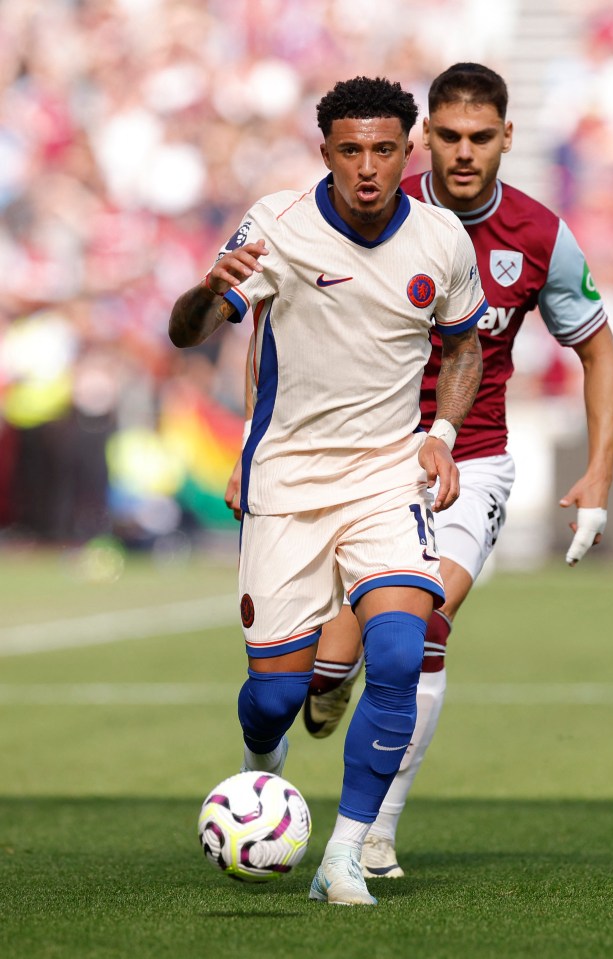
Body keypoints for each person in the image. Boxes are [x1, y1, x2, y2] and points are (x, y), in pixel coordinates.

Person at [227, 62, 613, 880]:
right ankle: (323, 689)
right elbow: (271, 327)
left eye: (480, 137)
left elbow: (598, 350)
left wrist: (598, 475)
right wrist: (249, 441)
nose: (463, 153)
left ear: (507, 138)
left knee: (420, 632)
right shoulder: (370, 202)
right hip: (347, 462)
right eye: (446, 136)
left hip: (466, 460)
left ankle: (371, 832)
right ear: (423, 139)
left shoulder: (540, 235)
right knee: (317, 673)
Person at [169, 75, 485, 906]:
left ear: (407, 151)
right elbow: (186, 333)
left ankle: (345, 855)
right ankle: (260, 775)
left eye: (384, 149)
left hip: (386, 477)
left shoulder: (442, 239)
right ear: (326, 154)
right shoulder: (277, 224)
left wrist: (442, 438)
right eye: (350, 151)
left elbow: (461, 350)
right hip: (288, 481)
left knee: (394, 653)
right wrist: (208, 289)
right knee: (273, 694)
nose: (368, 167)